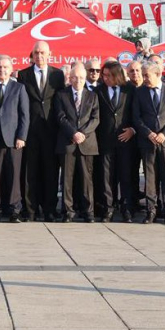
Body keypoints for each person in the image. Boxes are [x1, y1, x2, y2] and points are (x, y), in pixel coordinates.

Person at [16, 41, 65, 221]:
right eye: (36, 52)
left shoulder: (57, 75)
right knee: (30, 172)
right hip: (31, 130)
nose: (39, 56)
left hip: (51, 130)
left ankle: (49, 209)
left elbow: (61, 100)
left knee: (51, 171)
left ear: (49, 54)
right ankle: (30, 209)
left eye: (42, 52)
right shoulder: (23, 75)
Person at [132, 59, 165, 224]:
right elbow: (136, 117)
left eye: (147, 75)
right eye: (143, 75)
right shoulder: (139, 92)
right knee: (150, 178)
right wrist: (148, 133)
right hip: (148, 141)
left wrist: (164, 134)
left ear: (158, 74)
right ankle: (151, 211)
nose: (144, 78)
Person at [0, 54, 28, 222]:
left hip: (13, 140)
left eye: (5, 67)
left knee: (14, 176)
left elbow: (24, 115)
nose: (2, 70)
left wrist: (21, 136)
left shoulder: (19, 88)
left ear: (11, 69)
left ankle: (14, 209)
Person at [54, 61, 99, 222]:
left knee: (87, 180)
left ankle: (88, 212)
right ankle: (68, 212)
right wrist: (73, 133)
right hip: (68, 142)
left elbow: (95, 119)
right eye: (75, 77)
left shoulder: (93, 96)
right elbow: (60, 117)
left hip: (87, 143)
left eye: (81, 78)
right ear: (70, 78)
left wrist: (82, 134)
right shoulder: (61, 95)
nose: (78, 80)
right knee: (67, 180)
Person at [95, 60, 133, 223]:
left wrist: (133, 130)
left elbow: (136, 112)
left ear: (117, 75)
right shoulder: (98, 91)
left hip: (126, 140)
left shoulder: (130, 90)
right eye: (104, 75)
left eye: (109, 75)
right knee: (106, 177)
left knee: (126, 176)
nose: (106, 78)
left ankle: (127, 209)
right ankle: (108, 209)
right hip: (105, 140)